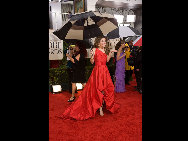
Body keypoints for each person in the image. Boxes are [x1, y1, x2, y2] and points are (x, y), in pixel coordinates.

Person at [59, 36, 120, 120]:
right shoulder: (94, 50)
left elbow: (106, 61)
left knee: (106, 89)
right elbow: (92, 62)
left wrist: (110, 53)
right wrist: (92, 56)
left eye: (105, 41)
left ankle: (102, 106)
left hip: (105, 71)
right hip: (97, 72)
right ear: (98, 42)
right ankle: (100, 108)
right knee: (98, 90)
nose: (104, 43)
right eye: (102, 41)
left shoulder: (106, 50)